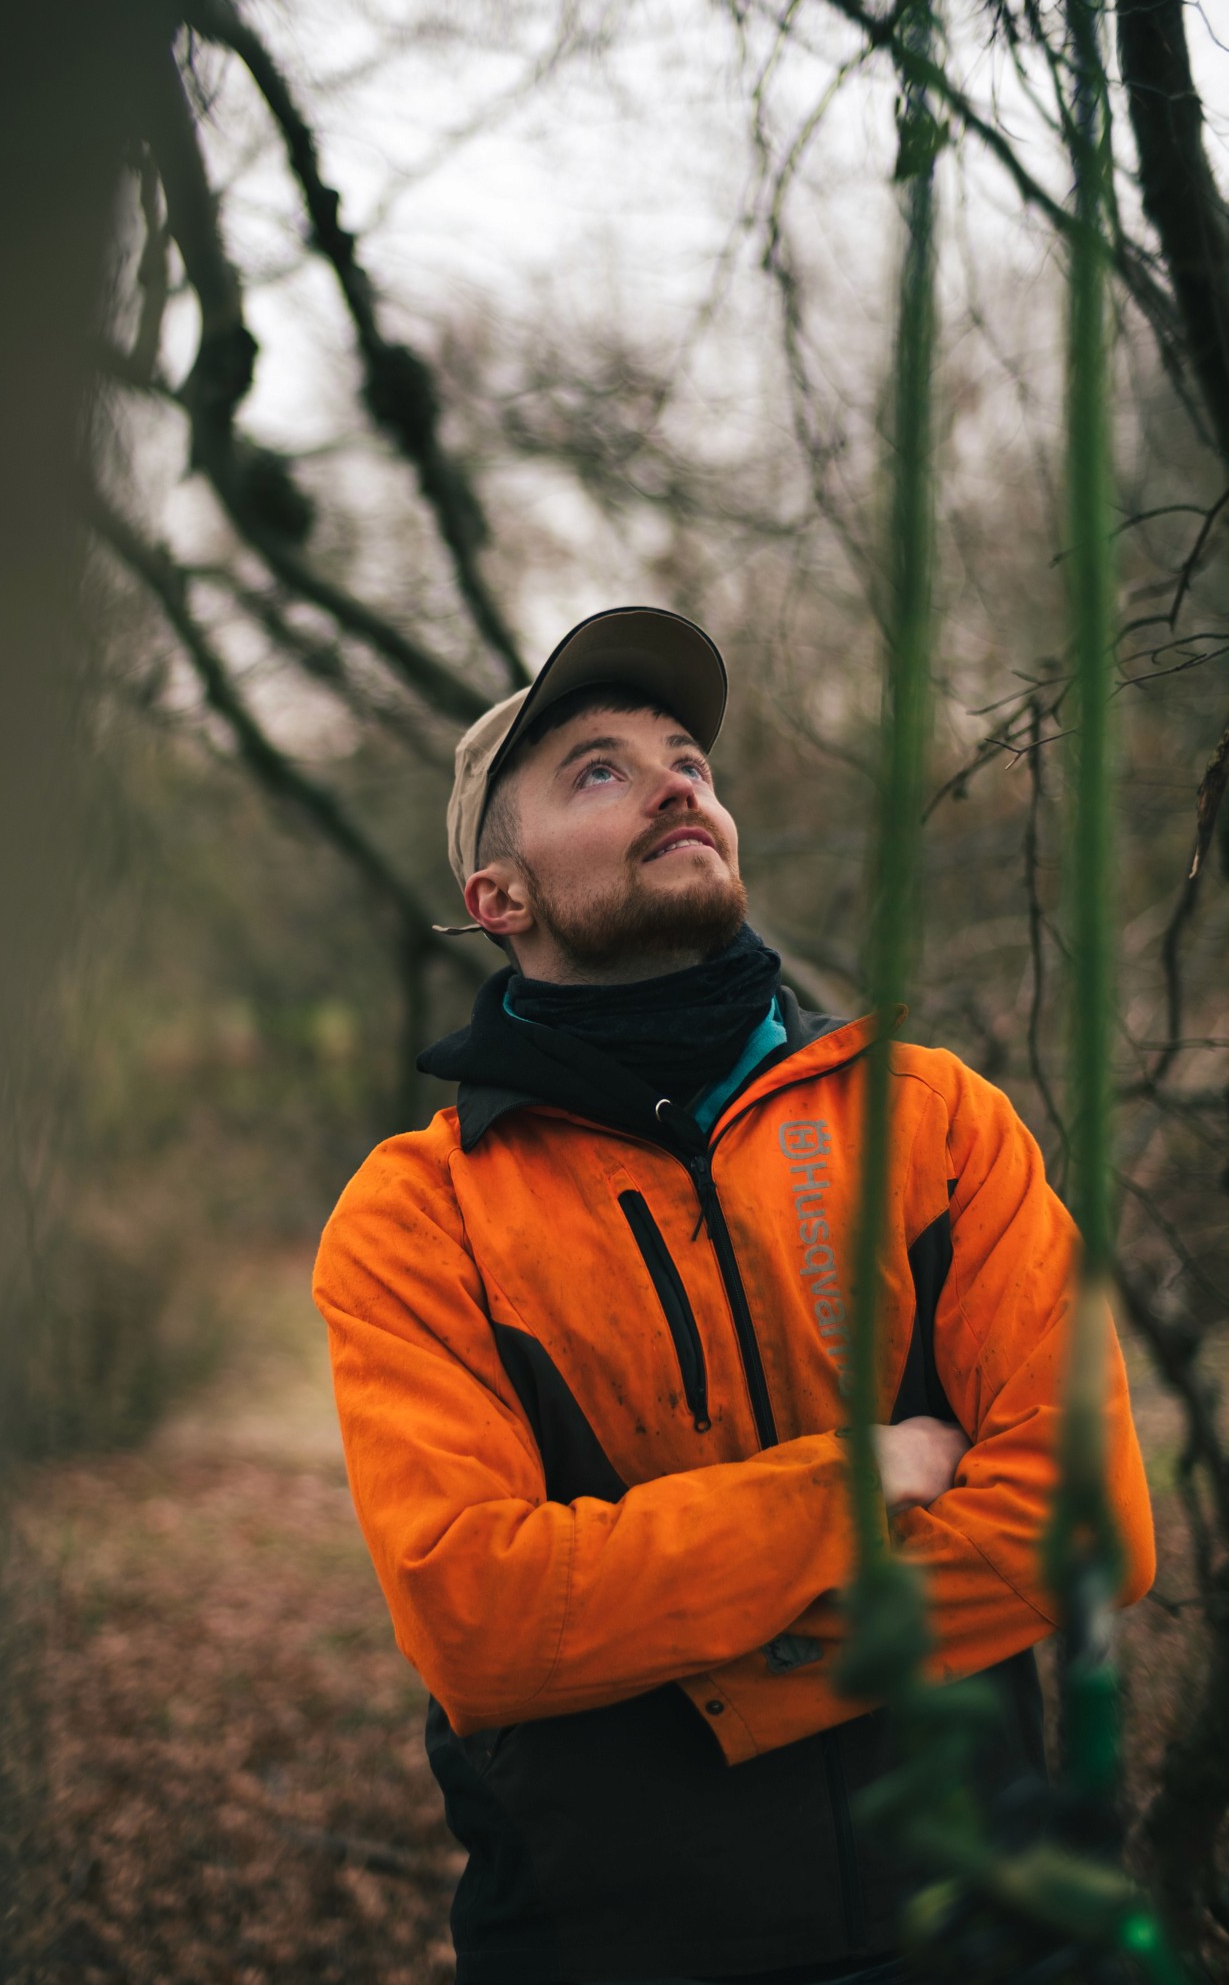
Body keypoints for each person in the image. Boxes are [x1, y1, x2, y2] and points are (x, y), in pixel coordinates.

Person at [312, 606, 1154, 1985]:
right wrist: (861, 1481)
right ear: (498, 900)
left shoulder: (931, 1121)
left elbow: (1088, 1519)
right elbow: (481, 1624)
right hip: (601, 1946)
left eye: (688, 758)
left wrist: (707, 1674)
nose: (674, 782)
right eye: (597, 768)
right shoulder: (419, 1218)